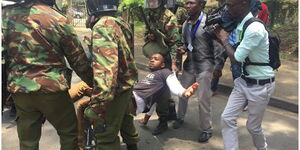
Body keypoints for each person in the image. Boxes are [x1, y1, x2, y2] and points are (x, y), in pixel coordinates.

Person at [2, 0, 93, 149]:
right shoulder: (57, 18)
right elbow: (78, 60)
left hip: (20, 90)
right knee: (69, 133)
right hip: (53, 90)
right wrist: (94, 83)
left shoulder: (5, 15)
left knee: (27, 142)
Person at [214, 0, 275, 149]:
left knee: (253, 127)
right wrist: (219, 36)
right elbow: (234, 47)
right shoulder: (240, 24)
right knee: (227, 118)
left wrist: (223, 39)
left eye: (230, 5)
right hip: (243, 81)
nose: (227, 8)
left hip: (260, 84)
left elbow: (236, 58)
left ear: (243, 4)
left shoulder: (254, 28)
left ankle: (262, 148)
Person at [83, 0, 140, 149]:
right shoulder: (121, 23)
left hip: (114, 92)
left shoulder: (103, 26)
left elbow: (106, 74)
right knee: (125, 122)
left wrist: (97, 106)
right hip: (125, 86)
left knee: (106, 136)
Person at [172, 0, 225, 143]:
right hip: (189, 65)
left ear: (201, 4)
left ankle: (206, 129)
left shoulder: (209, 23)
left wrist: (218, 67)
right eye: (186, 3)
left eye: (191, 3)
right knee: (182, 94)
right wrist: (183, 48)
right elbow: (185, 43)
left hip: (205, 66)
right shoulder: (185, 24)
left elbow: (219, 46)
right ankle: (180, 118)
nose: (187, 6)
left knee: (203, 99)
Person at [138, 0, 182, 132]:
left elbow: (175, 42)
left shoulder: (169, 17)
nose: (151, 3)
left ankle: (162, 121)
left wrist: (174, 63)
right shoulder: (151, 15)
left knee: (161, 91)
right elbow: (147, 34)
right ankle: (171, 113)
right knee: (164, 90)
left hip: (168, 59)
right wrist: (149, 36)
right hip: (158, 57)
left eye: (154, 0)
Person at [134, 53, 198, 135]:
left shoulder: (164, 72)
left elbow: (173, 83)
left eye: (156, 59)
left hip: (132, 99)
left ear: (162, 65)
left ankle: (164, 121)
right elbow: (153, 101)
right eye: (151, 59)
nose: (152, 60)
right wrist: (146, 119)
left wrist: (183, 92)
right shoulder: (152, 75)